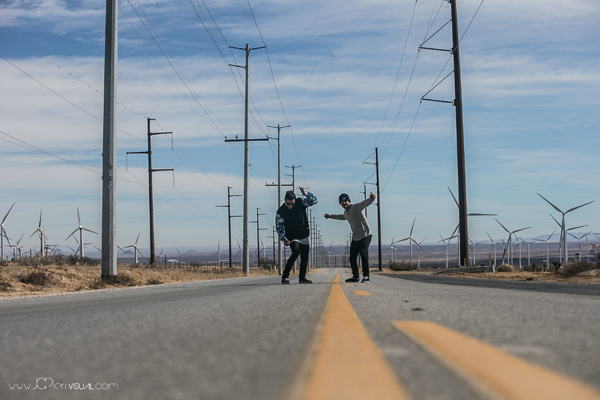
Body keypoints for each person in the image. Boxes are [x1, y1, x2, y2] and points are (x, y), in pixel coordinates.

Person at [324, 192, 375, 283]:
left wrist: (371, 199)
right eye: (341, 202)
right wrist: (330, 216)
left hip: (365, 235)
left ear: (348, 201)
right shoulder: (346, 213)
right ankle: (355, 276)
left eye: (345, 201)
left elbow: (364, 203)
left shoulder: (356, 207)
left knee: (363, 253)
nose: (344, 204)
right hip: (356, 238)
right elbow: (341, 217)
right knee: (352, 258)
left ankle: (366, 276)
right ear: (340, 204)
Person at [276, 187, 318, 284]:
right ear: (285, 201)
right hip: (292, 236)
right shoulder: (281, 211)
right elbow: (279, 227)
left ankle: (302, 277)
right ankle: (285, 276)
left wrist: (305, 193)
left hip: (304, 234)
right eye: (289, 204)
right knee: (296, 252)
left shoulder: (300, 202)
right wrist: (284, 238)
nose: (291, 205)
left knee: (304, 257)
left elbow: (314, 200)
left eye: (293, 203)